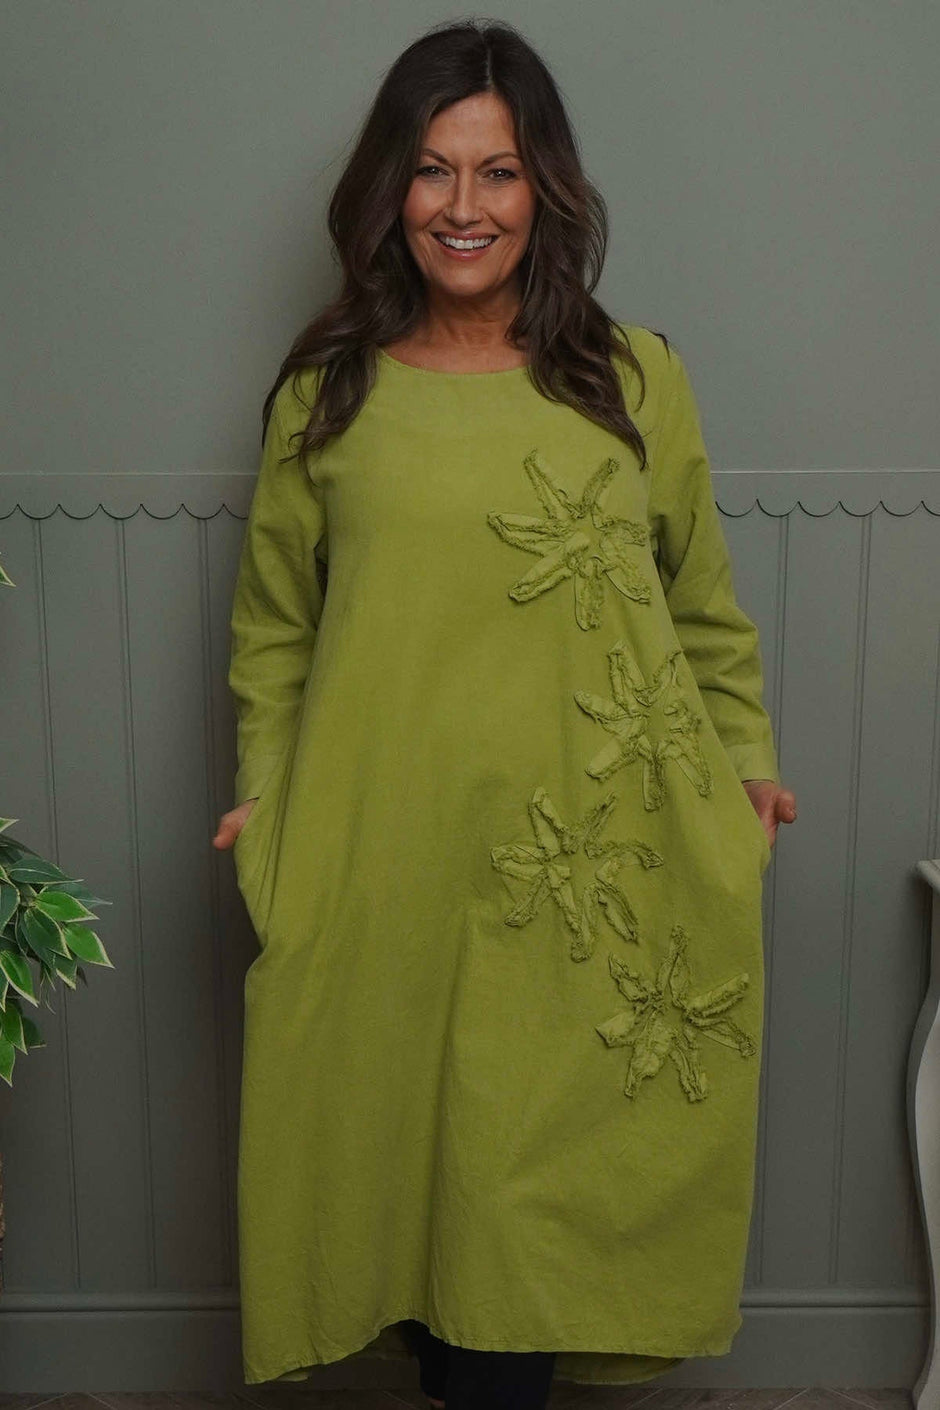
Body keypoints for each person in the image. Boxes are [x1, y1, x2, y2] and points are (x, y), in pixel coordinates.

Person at [211, 18, 798, 1410]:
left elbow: (703, 608)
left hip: (585, 872)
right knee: (413, 1201)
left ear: (548, 191)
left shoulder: (633, 378)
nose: (462, 205)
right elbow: (274, 632)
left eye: (499, 170)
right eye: (432, 169)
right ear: (390, 189)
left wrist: (745, 769)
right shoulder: (327, 397)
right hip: (381, 863)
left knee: (522, 1219)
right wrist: (265, 805)